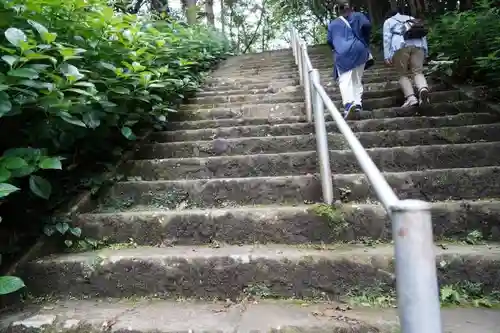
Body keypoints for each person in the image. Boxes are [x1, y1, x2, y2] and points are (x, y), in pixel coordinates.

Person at [327, 2, 372, 120]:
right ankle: (357, 103)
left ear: (338, 11)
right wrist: (364, 40)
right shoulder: (358, 16)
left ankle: (348, 104)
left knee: (345, 80)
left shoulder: (333, 24)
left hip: (343, 53)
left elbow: (329, 41)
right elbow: (367, 25)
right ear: (351, 8)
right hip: (360, 50)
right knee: (357, 79)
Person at [383, 8, 430, 108]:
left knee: (402, 74)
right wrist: (426, 51)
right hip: (419, 45)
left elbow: (387, 38)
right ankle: (422, 89)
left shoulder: (389, 21)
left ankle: (411, 98)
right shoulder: (411, 18)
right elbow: (423, 35)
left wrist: (387, 56)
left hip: (400, 46)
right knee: (418, 72)